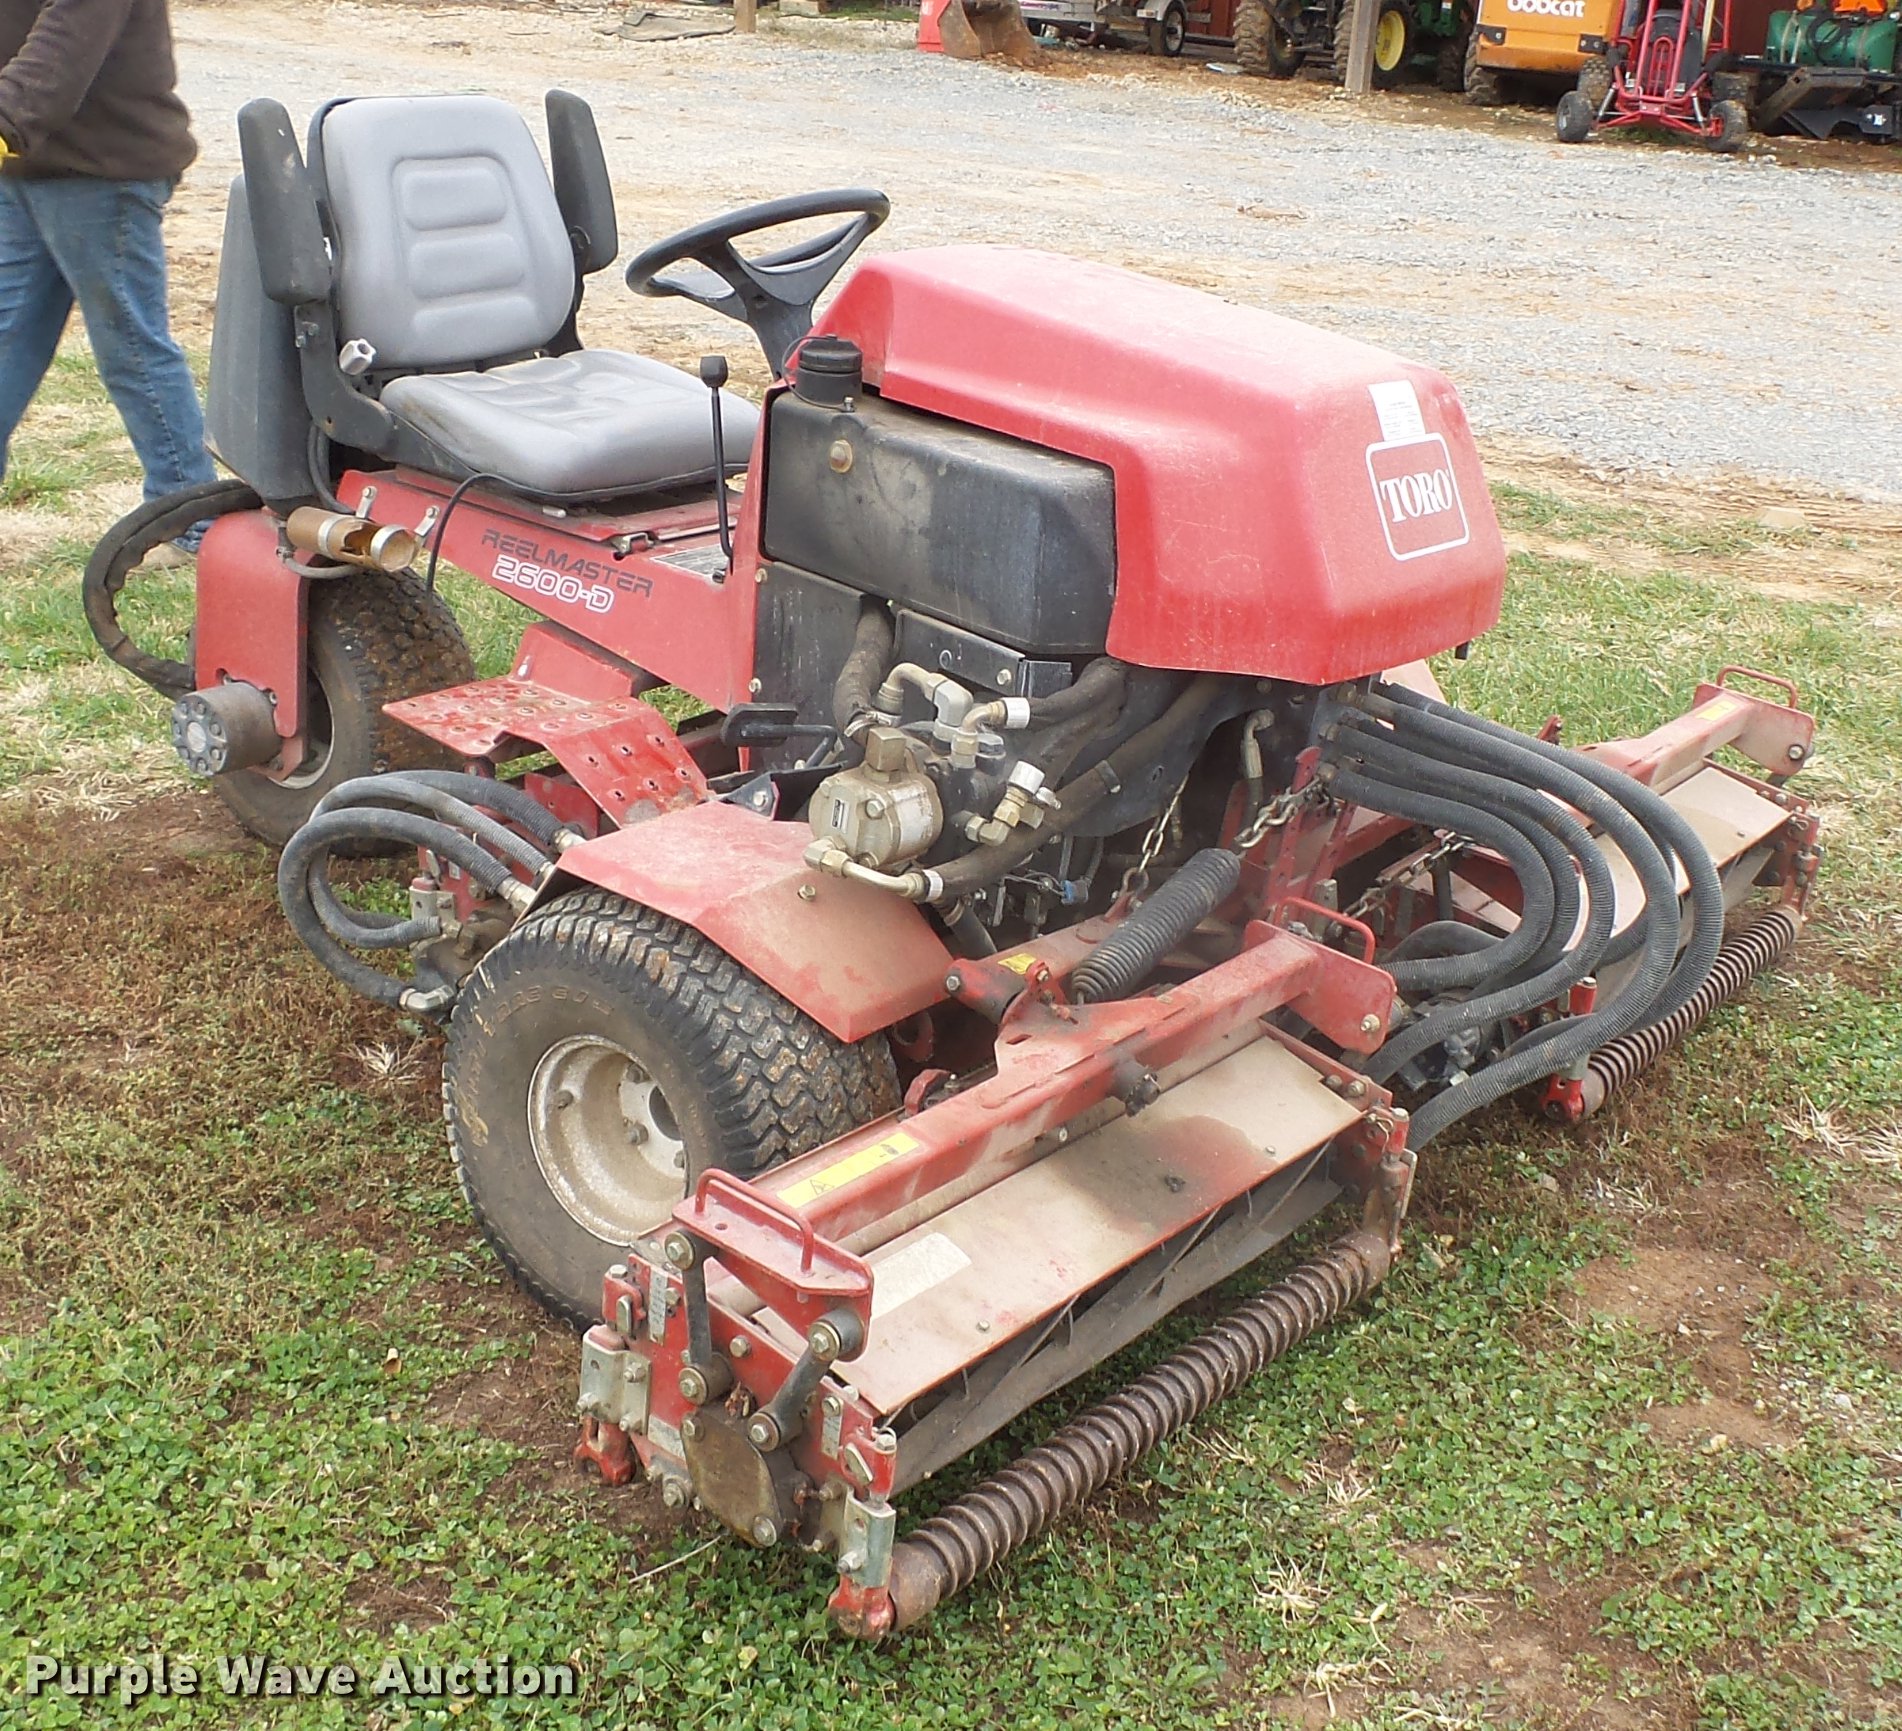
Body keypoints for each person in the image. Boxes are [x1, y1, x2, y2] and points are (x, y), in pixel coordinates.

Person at [0, 0, 217, 556]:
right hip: (25, 167)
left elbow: (59, 53)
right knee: (6, 342)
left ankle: (188, 523)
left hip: (103, 174)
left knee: (133, 351)